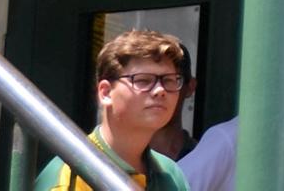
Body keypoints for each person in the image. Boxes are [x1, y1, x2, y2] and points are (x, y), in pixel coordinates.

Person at [34, 30, 194, 191]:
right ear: (105, 93)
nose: (160, 90)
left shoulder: (172, 175)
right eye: (143, 80)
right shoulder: (69, 178)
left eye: (169, 80)